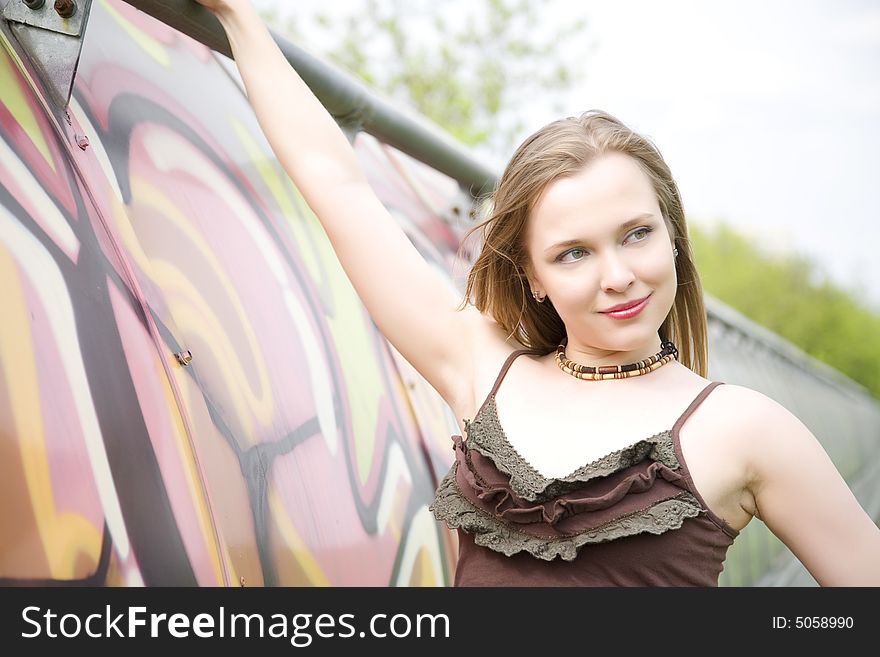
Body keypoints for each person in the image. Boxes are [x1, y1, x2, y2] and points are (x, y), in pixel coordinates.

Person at [194, 0, 880, 586]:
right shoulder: (482, 367)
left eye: (637, 234)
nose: (617, 275)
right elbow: (334, 182)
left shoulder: (747, 429)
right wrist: (236, 16)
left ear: (673, 235)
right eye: (573, 253)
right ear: (533, 277)